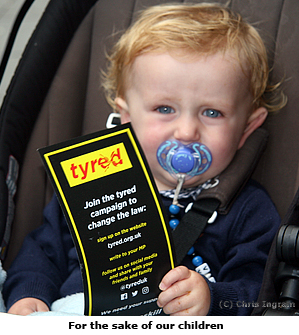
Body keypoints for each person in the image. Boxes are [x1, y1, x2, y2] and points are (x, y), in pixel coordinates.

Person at [3, 3, 286, 316]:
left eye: (212, 112)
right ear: (126, 117)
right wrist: (29, 296)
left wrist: (212, 300)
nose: (187, 131)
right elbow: (41, 255)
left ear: (247, 128)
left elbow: (261, 291)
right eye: (164, 109)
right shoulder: (93, 187)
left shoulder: (249, 211)